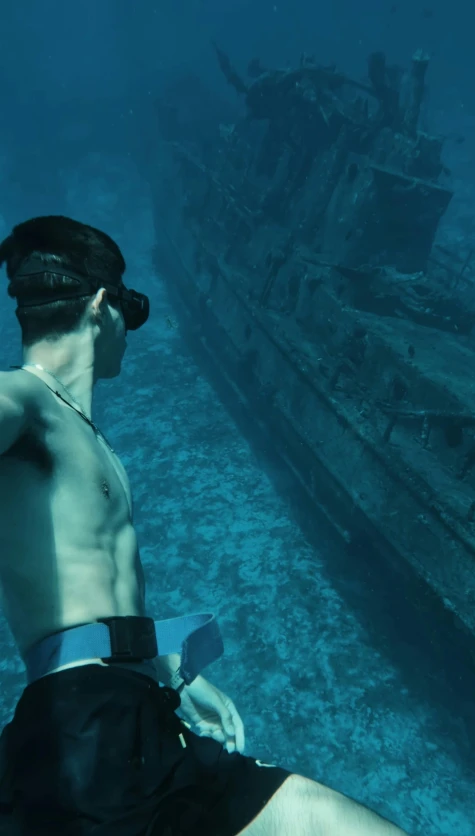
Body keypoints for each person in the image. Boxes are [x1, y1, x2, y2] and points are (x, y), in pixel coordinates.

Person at [0, 215, 412, 835]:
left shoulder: (81, 435)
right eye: (130, 317)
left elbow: (91, 603)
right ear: (105, 307)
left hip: (130, 718)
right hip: (85, 736)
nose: (128, 337)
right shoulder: (25, 400)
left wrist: (167, 673)